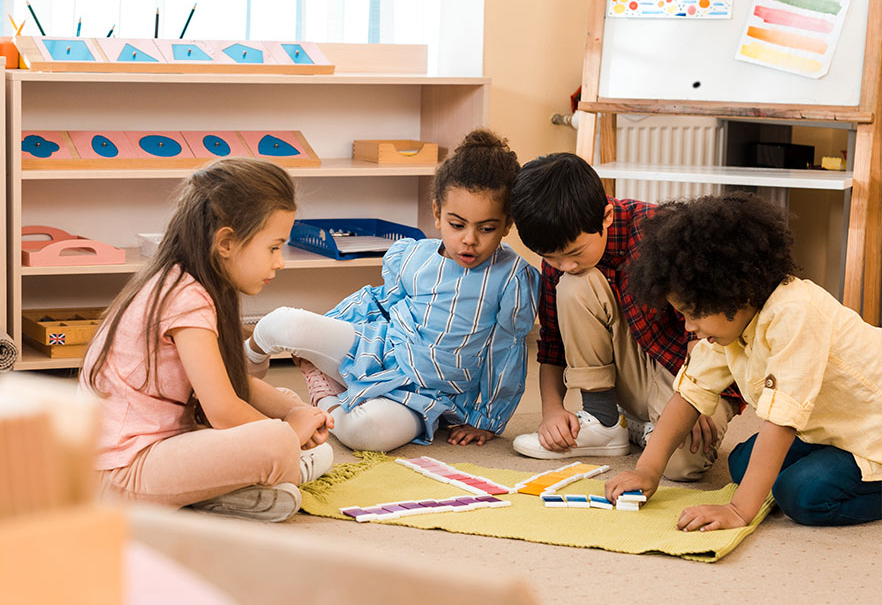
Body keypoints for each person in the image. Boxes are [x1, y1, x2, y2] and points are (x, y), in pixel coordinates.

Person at [248, 129, 540, 452]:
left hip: (427, 395)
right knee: (282, 323)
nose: (470, 239)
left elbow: (506, 354)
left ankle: (323, 399)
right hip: (377, 349)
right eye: (457, 225)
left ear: (507, 224)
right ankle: (239, 376)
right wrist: (327, 330)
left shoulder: (512, 277)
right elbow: (376, 303)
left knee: (365, 432)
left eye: (486, 229)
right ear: (437, 213)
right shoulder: (413, 256)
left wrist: (487, 420)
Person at [606, 193, 882, 529]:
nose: (689, 327)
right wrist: (646, 471)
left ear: (736, 294)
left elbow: (781, 423)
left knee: (802, 495)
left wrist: (738, 510)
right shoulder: (730, 324)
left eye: (694, 314)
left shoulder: (796, 314)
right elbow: (689, 395)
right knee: (741, 463)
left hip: (872, 434)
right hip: (833, 428)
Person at [80, 159, 334, 523]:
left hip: (152, 453)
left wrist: (294, 413)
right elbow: (223, 410)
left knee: (288, 406)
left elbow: (228, 385)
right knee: (277, 441)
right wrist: (290, 431)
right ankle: (274, 472)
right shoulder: (185, 297)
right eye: (274, 247)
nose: (281, 262)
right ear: (227, 242)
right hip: (121, 475)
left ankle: (225, 491)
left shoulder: (187, 283)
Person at [508, 153, 740, 481]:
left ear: (605, 217)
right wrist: (552, 412)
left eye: (574, 253)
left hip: (689, 369)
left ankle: (638, 426)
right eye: (551, 257)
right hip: (629, 370)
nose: (564, 265)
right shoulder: (562, 263)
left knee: (682, 465)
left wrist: (697, 393)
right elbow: (552, 343)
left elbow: (702, 329)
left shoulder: (658, 231)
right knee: (574, 285)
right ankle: (603, 421)